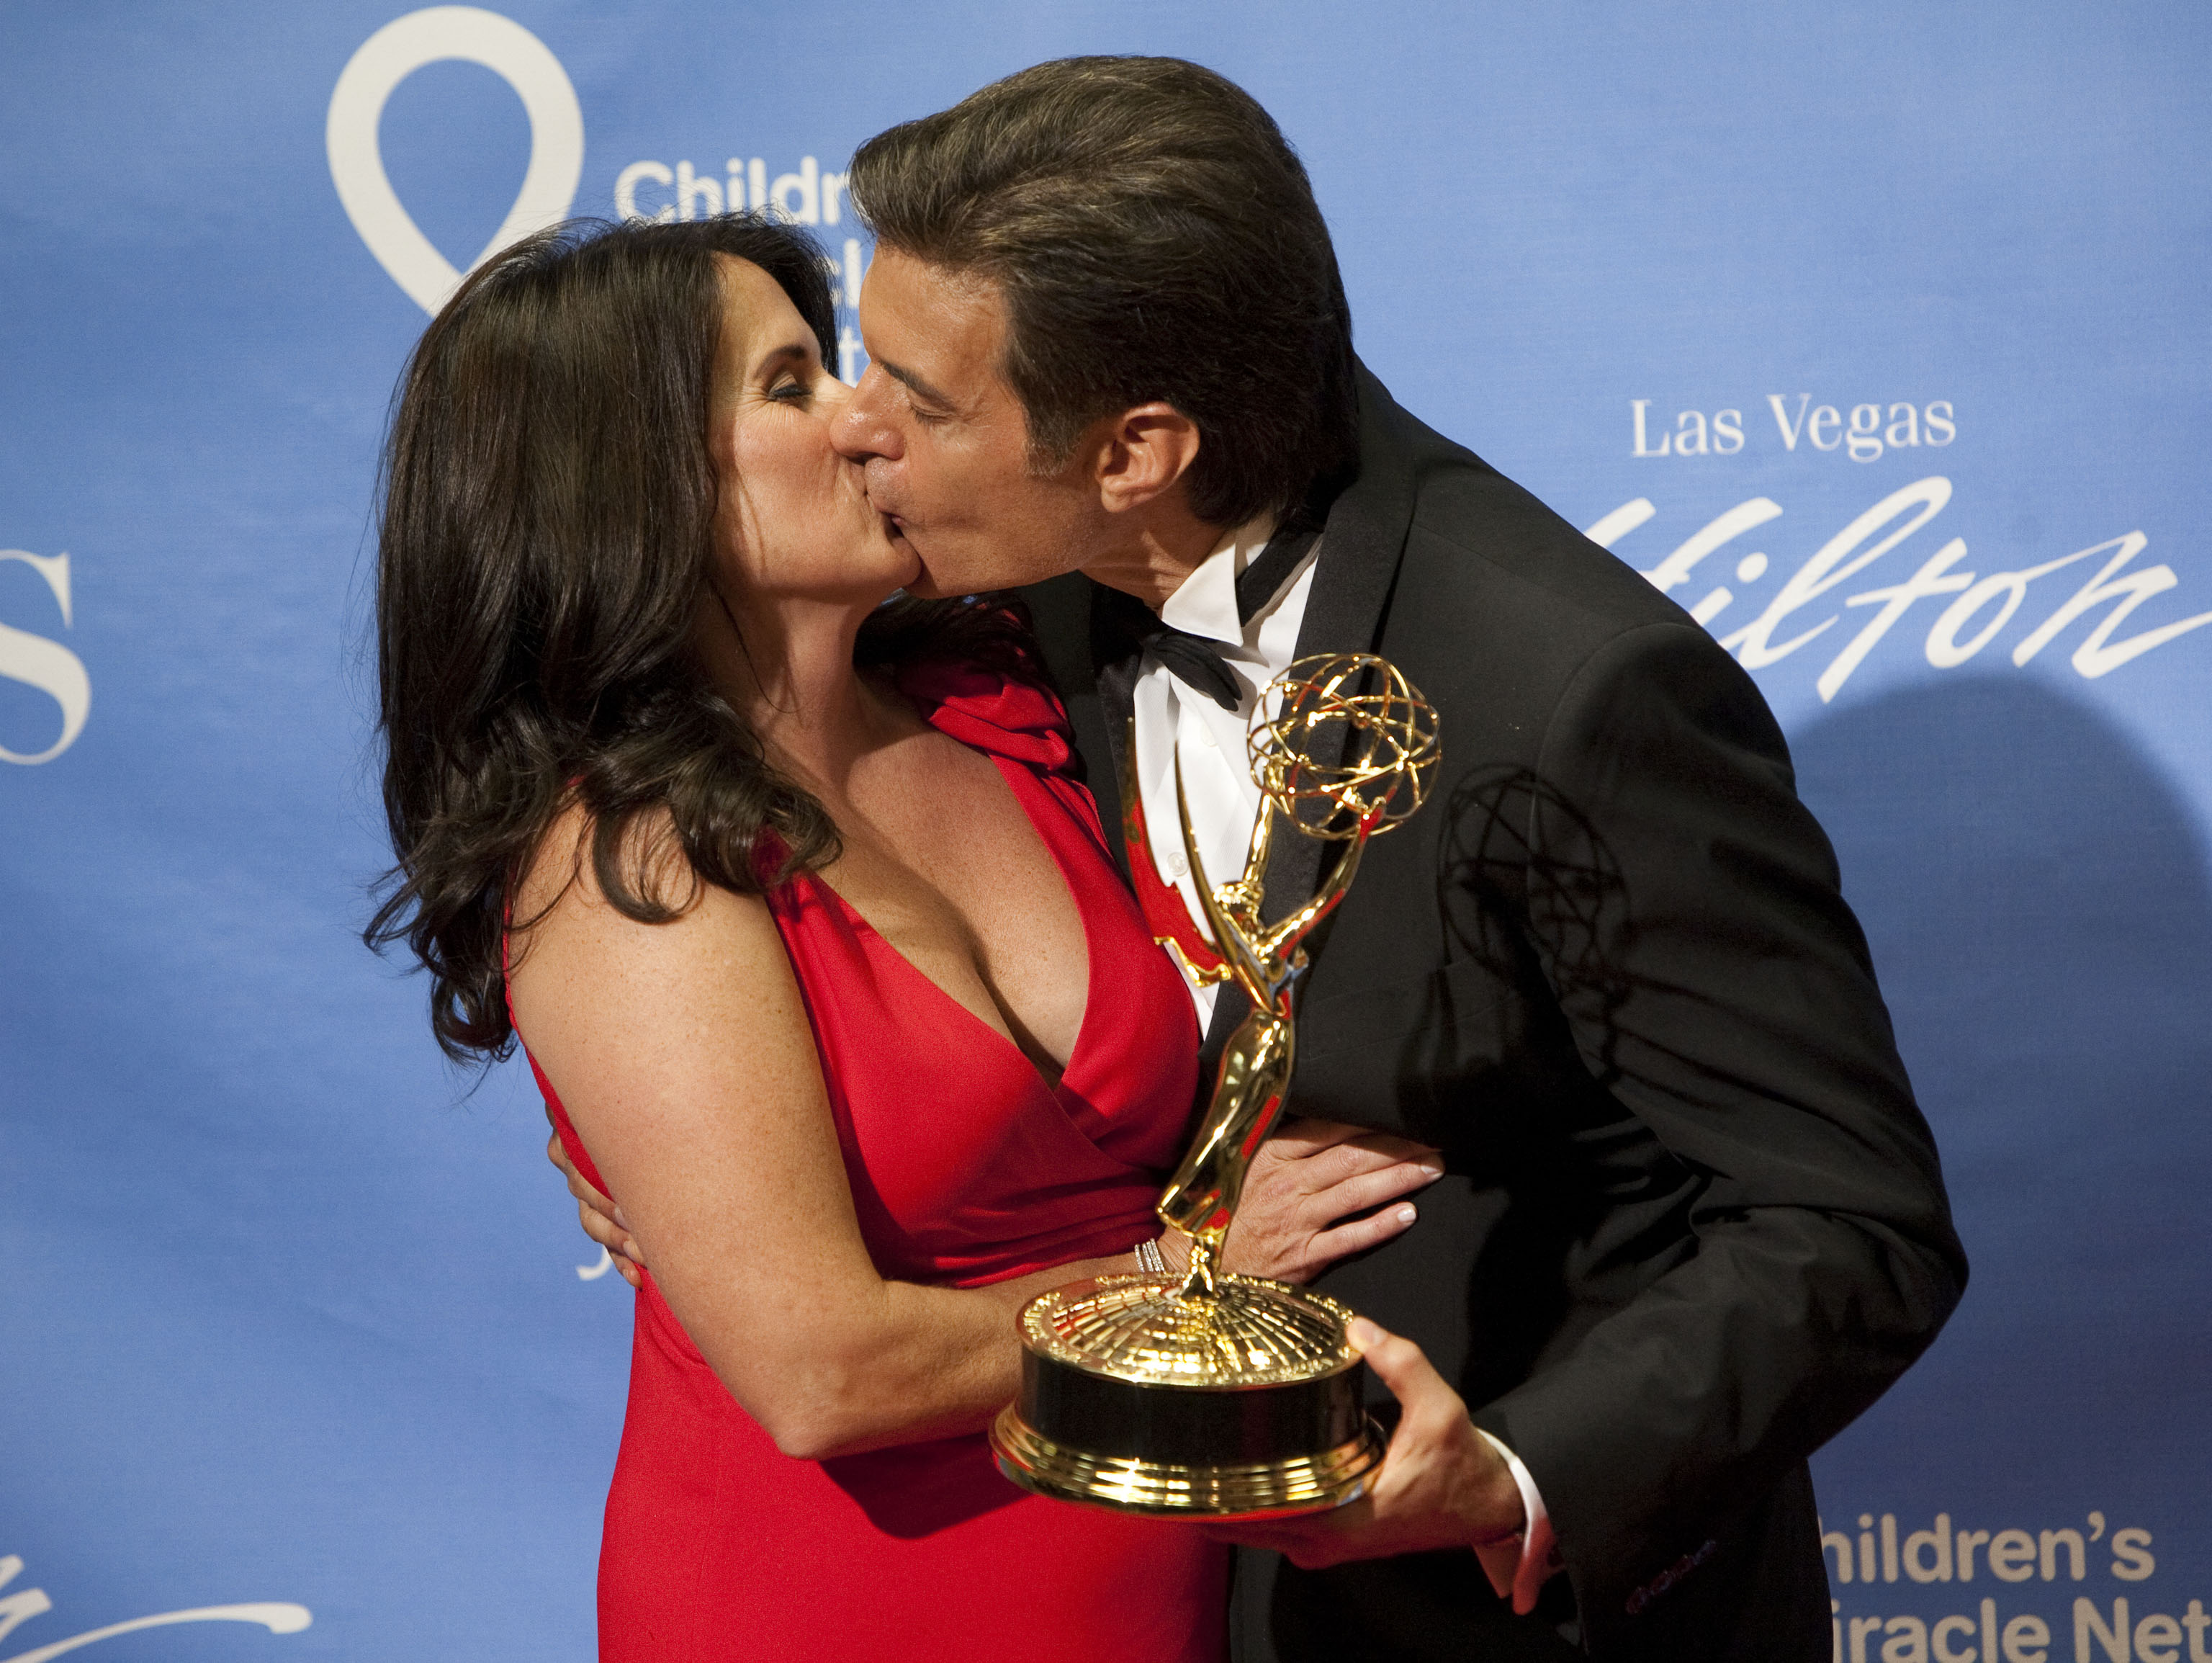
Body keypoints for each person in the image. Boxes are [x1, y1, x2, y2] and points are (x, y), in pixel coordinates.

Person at [551, 56, 1969, 1662]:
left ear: (1134, 452)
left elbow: (1849, 1222)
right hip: (1137, 1594)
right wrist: (657, 1126)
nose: (865, 429)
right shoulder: (1000, 615)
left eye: (924, 399)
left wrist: (1508, 1477)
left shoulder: (1569, 691)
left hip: (1494, 1619)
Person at [365, 212, 1444, 1662]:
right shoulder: (629, 857)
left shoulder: (1013, 692)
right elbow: (821, 1369)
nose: (868, 416)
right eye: (790, 384)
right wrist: (1181, 1278)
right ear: (632, 483)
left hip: (1172, 1580)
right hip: (846, 1600)